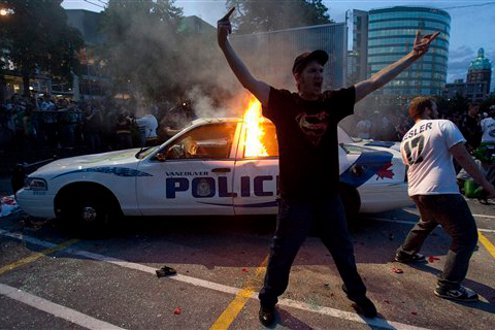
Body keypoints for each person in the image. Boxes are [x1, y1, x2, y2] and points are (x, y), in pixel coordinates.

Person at [218, 8, 439, 326]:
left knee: (343, 251)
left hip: (328, 198)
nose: (319, 75)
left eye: (321, 70)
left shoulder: (333, 102)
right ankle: (268, 300)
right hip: (294, 200)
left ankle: (358, 296)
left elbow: (374, 82)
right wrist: (224, 44)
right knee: (282, 254)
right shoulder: (282, 103)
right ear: (298, 77)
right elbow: (247, 80)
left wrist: (412, 57)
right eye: (312, 70)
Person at [394, 96, 495, 302]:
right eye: (435, 107)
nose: (437, 111)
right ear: (428, 109)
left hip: (417, 189)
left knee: (428, 221)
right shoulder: (443, 125)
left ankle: (405, 253)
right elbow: (462, 156)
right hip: (440, 190)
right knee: (465, 236)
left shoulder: (406, 136)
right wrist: (486, 184)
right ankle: (448, 285)